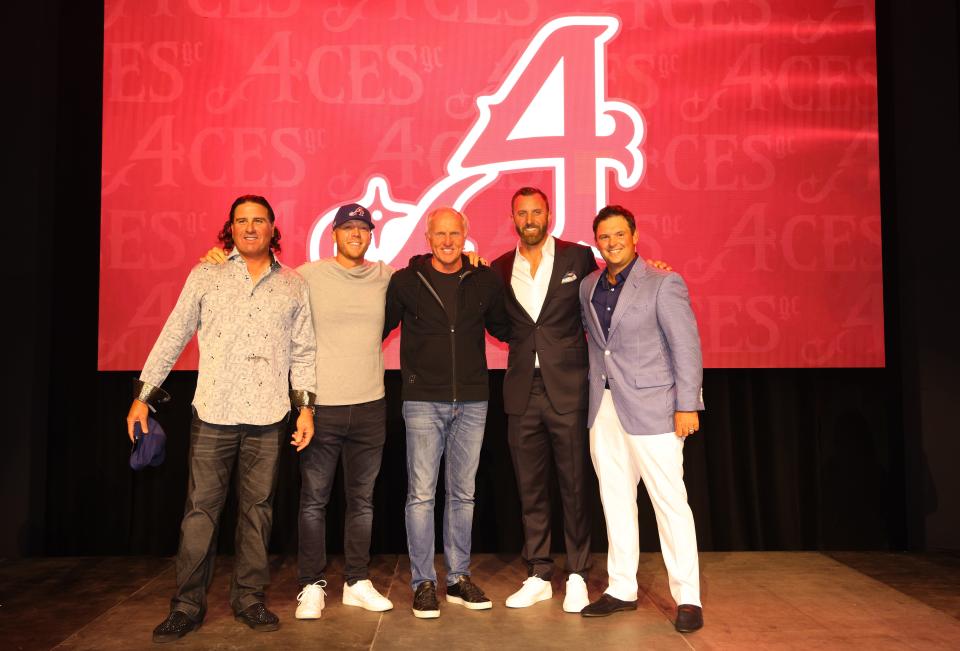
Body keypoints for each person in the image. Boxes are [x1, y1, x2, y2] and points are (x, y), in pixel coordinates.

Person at [128, 195, 317, 644]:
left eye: (259, 221)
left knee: (257, 512)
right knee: (200, 513)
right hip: (213, 412)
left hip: (269, 415)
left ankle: (249, 599)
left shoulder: (293, 284)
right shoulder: (205, 274)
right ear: (229, 229)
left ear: (274, 228)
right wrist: (144, 396)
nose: (250, 228)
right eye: (241, 221)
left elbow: (304, 351)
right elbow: (173, 333)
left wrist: (306, 407)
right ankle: (187, 606)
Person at [577, 205, 706, 633]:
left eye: (619, 235)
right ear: (597, 242)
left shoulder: (664, 282)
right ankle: (621, 588)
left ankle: (688, 596)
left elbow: (685, 347)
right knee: (615, 501)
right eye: (604, 237)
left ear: (635, 236)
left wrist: (687, 405)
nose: (611, 243)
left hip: (655, 409)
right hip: (605, 407)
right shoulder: (588, 286)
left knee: (670, 503)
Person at [383, 207, 511, 618]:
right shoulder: (405, 281)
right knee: (420, 496)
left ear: (465, 235)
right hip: (422, 401)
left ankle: (458, 578)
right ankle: (423, 583)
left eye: (454, 233)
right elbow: (373, 327)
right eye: (440, 234)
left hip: (473, 401)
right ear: (428, 236)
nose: (447, 241)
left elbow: (507, 329)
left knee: (463, 494)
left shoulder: (485, 280)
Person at [489, 188, 597, 613]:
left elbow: (609, 287)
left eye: (537, 211)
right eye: (522, 213)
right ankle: (537, 572)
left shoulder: (578, 258)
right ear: (513, 218)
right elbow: (500, 324)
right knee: (530, 489)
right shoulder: (499, 268)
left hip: (567, 386)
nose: (530, 218)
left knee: (573, 486)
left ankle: (577, 573)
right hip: (522, 390)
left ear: (549, 215)